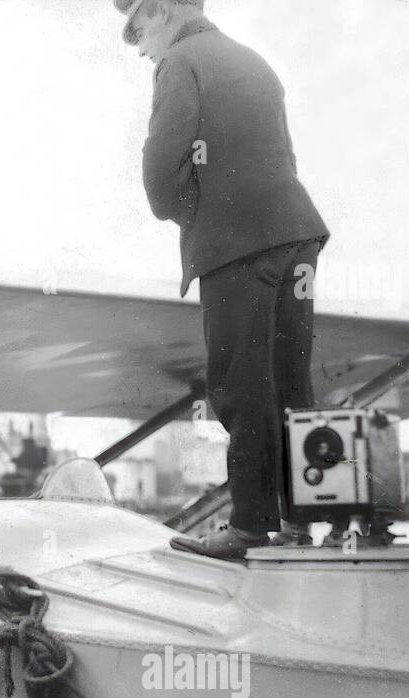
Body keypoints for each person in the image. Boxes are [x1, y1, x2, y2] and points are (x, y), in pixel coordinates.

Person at [113, 0, 330, 560]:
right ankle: (303, 522)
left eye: (139, 32)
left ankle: (252, 526)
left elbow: (161, 171)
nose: (142, 49)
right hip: (296, 232)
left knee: (238, 382)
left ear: (160, 12)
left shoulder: (180, 62)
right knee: (290, 380)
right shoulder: (255, 62)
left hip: (237, 242)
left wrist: (195, 214)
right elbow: (285, 155)